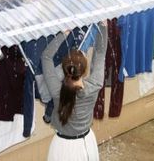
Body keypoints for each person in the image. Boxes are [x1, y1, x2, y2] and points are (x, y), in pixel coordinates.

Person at [41, 22, 107, 161]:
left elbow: (46, 57)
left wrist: (64, 34)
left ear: (64, 68)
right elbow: (100, 53)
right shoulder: (95, 85)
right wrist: (103, 27)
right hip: (86, 145)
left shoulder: (57, 91)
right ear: (84, 70)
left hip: (61, 146)